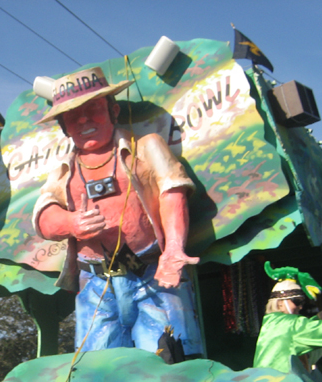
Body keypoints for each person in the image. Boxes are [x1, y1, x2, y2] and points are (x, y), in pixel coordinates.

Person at [32, 66, 203, 355]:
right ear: (64, 127)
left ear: (114, 110)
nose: (84, 119)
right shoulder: (64, 169)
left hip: (152, 275)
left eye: (93, 109)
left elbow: (173, 192)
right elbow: (44, 217)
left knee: (170, 359)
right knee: (99, 368)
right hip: (96, 285)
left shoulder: (147, 148)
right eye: (73, 115)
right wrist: (71, 223)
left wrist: (174, 249)